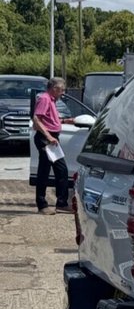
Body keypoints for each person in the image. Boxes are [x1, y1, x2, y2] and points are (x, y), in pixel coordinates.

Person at [32, 77, 75, 215]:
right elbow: (37, 120)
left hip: (51, 139)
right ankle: (43, 204)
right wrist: (49, 136)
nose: (63, 93)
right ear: (54, 89)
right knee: (47, 171)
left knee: (60, 170)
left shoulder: (52, 100)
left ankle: (61, 203)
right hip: (47, 139)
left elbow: (49, 119)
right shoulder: (45, 99)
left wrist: (65, 121)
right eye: (61, 90)